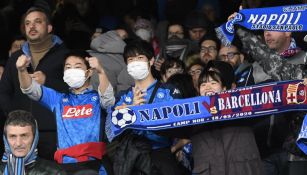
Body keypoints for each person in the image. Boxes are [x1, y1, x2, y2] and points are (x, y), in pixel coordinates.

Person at [16, 50, 114, 174]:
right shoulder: (59, 99)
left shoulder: (97, 98)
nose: (72, 70)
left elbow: (109, 101)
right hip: (64, 166)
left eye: (77, 67)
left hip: (95, 165)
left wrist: (101, 71)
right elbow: (29, 89)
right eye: (68, 67)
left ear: (88, 72)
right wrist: (22, 70)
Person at [0, 6, 69, 160]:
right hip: (21, 133)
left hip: (54, 131)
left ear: (49, 27)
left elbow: (75, 91)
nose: (32, 26)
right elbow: (3, 91)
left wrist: (47, 81)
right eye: (27, 23)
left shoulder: (65, 56)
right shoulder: (16, 58)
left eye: (37, 22)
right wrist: (13, 115)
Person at [111, 39, 185, 175]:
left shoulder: (169, 91)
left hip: (161, 156)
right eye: (131, 59)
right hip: (131, 159)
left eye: (140, 58)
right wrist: (130, 110)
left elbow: (181, 126)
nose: (135, 62)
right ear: (126, 65)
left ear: (151, 61)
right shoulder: (122, 97)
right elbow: (112, 132)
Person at [191, 60, 263, 175]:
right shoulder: (190, 112)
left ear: (227, 87)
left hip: (243, 169)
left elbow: (272, 96)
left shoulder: (245, 104)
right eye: (203, 83)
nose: (208, 86)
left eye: (214, 81)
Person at [0, 110, 66, 175]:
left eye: (24, 136)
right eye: (13, 136)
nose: (18, 143)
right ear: (5, 139)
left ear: (35, 138)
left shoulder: (55, 173)